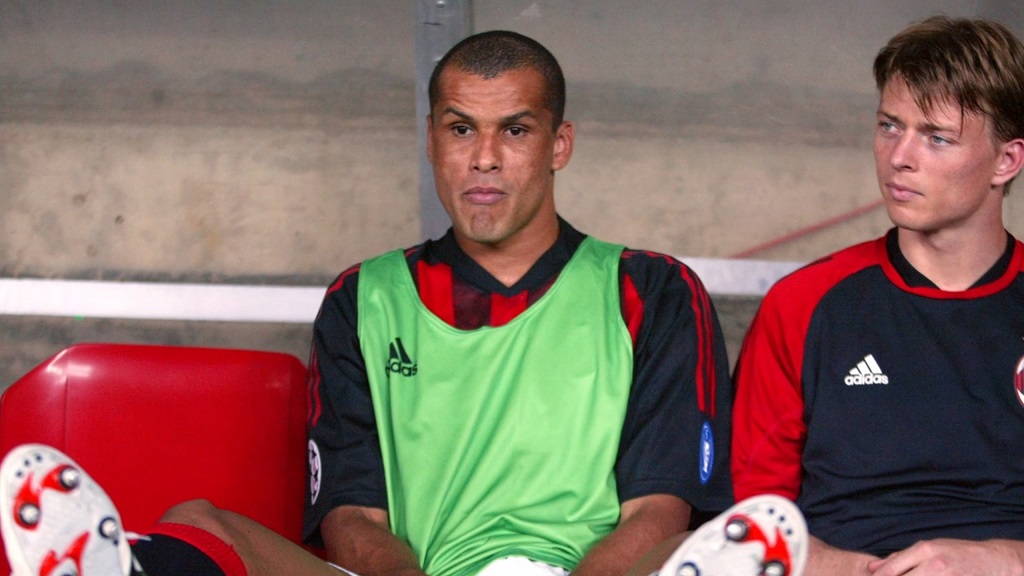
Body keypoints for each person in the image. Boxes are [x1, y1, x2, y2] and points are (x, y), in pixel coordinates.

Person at [0, 30, 736, 576]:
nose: (484, 157)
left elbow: (658, 510)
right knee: (197, 521)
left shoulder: (652, 290)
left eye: (514, 129)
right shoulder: (365, 295)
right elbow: (352, 516)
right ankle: (116, 566)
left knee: (690, 552)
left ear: (559, 144)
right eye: (460, 129)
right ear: (431, 141)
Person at [727, 15, 1024, 576]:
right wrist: (861, 571)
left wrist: (1004, 560)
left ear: (1006, 161)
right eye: (890, 126)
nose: (900, 156)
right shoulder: (803, 303)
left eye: (937, 137)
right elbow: (747, 520)